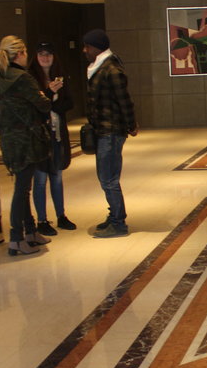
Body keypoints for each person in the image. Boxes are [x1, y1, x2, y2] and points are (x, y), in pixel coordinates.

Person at [0, 36, 52, 256]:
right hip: (26, 139)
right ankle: (16, 237)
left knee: (23, 187)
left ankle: (30, 232)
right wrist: (46, 94)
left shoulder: (2, 76)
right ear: (20, 54)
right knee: (22, 189)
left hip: (10, 139)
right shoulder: (22, 78)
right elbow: (43, 104)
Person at [83, 29, 137, 238]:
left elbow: (124, 100)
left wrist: (131, 124)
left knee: (109, 178)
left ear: (96, 47)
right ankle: (114, 214)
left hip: (111, 131)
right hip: (103, 130)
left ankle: (118, 222)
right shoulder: (99, 68)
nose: (84, 50)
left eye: (87, 46)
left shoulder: (111, 69)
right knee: (106, 176)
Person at [30, 42, 76, 235]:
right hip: (40, 136)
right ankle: (41, 219)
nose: (45, 58)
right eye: (41, 54)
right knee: (40, 179)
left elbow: (69, 102)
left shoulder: (61, 77)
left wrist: (54, 104)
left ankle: (61, 215)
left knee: (57, 177)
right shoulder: (31, 79)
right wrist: (49, 93)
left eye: (49, 54)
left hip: (57, 134)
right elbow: (36, 106)